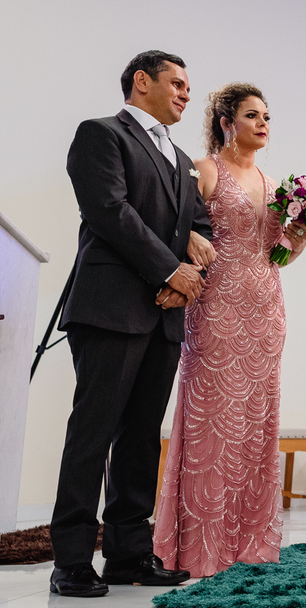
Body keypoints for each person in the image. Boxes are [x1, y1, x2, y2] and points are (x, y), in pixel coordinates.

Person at [49, 51, 212, 597]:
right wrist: (169, 269)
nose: (186, 93)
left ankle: (128, 554)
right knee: (92, 434)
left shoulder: (184, 159)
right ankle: (72, 560)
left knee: (141, 439)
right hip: (111, 307)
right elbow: (109, 211)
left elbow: (200, 224)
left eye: (188, 86)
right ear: (142, 81)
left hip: (165, 314)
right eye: (177, 83)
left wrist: (188, 271)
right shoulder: (100, 134)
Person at [153, 83, 306, 577]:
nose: (263, 124)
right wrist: (187, 244)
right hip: (217, 308)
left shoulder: (272, 182)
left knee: (255, 426)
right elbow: (172, 226)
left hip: (266, 311)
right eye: (252, 115)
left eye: (267, 116)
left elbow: (276, 254)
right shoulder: (204, 170)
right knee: (213, 423)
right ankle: (200, 548)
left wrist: (300, 235)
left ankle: (249, 544)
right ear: (226, 123)